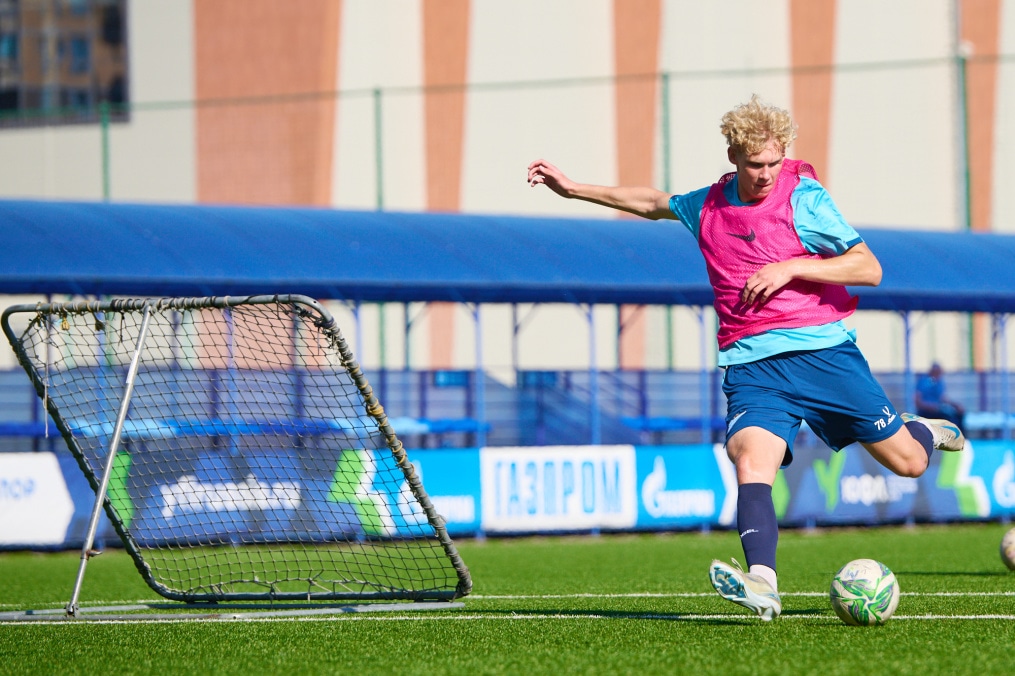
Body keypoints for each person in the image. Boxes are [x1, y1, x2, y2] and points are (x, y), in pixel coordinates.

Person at [527, 94, 966, 621]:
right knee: (750, 461)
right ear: (733, 156)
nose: (765, 174)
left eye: (774, 163)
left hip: (823, 353)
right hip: (752, 364)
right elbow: (650, 202)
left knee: (910, 463)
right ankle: (763, 581)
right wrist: (573, 189)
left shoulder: (805, 199)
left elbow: (868, 268)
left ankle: (921, 429)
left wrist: (791, 267)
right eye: (755, 164)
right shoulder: (710, 205)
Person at [915, 362, 965, 429]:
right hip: (926, 411)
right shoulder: (923, 381)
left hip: (937, 409)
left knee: (958, 415)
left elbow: (942, 398)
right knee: (949, 419)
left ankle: (961, 437)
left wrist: (955, 405)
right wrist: (929, 406)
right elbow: (917, 401)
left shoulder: (940, 382)